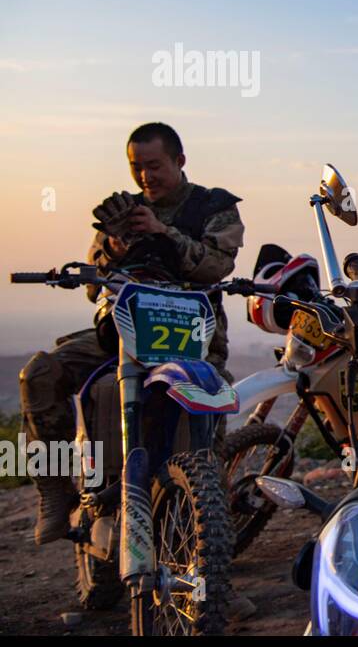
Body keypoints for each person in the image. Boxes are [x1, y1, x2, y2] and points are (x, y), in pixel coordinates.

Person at [19, 122, 244, 543]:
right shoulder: (122, 212)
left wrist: (163, 234)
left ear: (179, 161)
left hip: (190, 337)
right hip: (124, 332)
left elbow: (216, 266)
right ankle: (54, 491)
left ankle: (211, 555)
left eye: (154, 166)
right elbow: (93, 286)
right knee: (39, 374)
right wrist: (117, 246)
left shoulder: (213, 207)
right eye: (136, 167)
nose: (145, 177)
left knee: (207, 419)